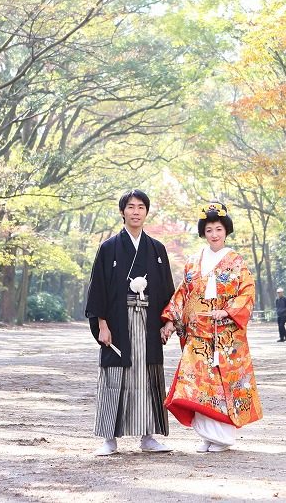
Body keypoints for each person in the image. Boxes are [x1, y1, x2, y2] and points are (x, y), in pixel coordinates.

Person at [161, 200, 262, 453]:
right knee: (197, 383)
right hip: (197, 335)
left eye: (218, 229)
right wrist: (171, 321)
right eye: (209, 230)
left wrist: (227, 311)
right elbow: (183, 293)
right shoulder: (194, 261)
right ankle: (206, 435)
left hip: (225, 336)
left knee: (221, 384)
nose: (214, 234)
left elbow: (247, 293)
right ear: (203, 233)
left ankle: (222, 438)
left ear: (226, 231)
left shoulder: (236, 261)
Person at [84, 189, 175, 456]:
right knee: (114, 377)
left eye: (141, 207)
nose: (136, 212)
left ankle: (148, 436)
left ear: (147, 212)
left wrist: (167, 322)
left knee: (148, 377)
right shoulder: (108, 248)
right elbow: (98, 289)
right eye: (131, 207)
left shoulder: (157, 249)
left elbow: (168, 291)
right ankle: (109, 439)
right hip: (118, 322)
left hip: (147, 323)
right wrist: (102, 325)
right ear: (122, 211)